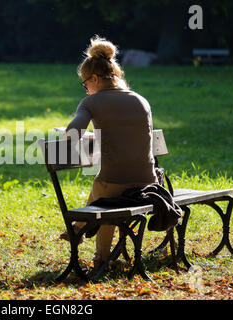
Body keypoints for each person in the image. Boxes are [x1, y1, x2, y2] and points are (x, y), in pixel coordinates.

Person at [60, 35, 158, 269]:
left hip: (115, 184)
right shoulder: (140, 100)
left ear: (94, 78)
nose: (86, 90)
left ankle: (100, 258)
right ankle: (78, 229)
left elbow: (72, 133)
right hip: (148, 182)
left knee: (105, 190)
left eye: (85, 84)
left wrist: (75, 131)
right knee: (101, 186)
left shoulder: (91, 103)